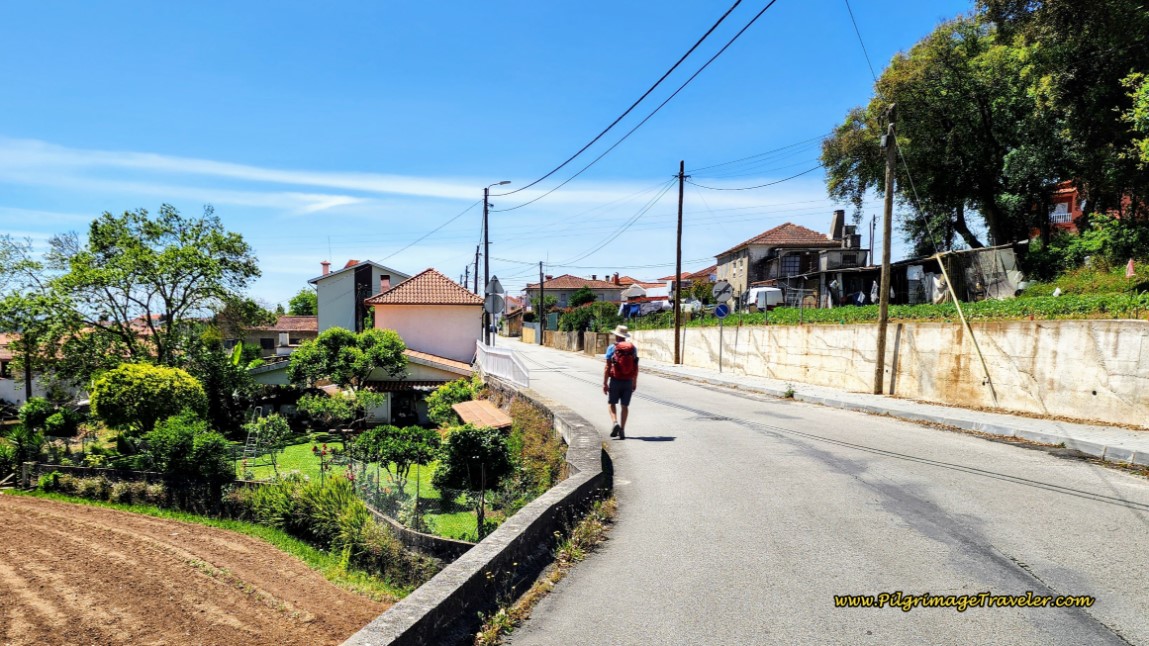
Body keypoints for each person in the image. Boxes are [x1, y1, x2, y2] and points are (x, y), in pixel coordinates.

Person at [602, 324, 638, 440]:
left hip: (615, 380)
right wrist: (634, 382)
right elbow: (635, 367)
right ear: (625, 336)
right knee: (624, 406)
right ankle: (622, 430)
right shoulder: (633, 349)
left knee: (611, 403)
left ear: (616, 335)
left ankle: (615, 422)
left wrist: (605, 383)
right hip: (628, 381)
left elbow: (607, 367)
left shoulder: (611, 348)